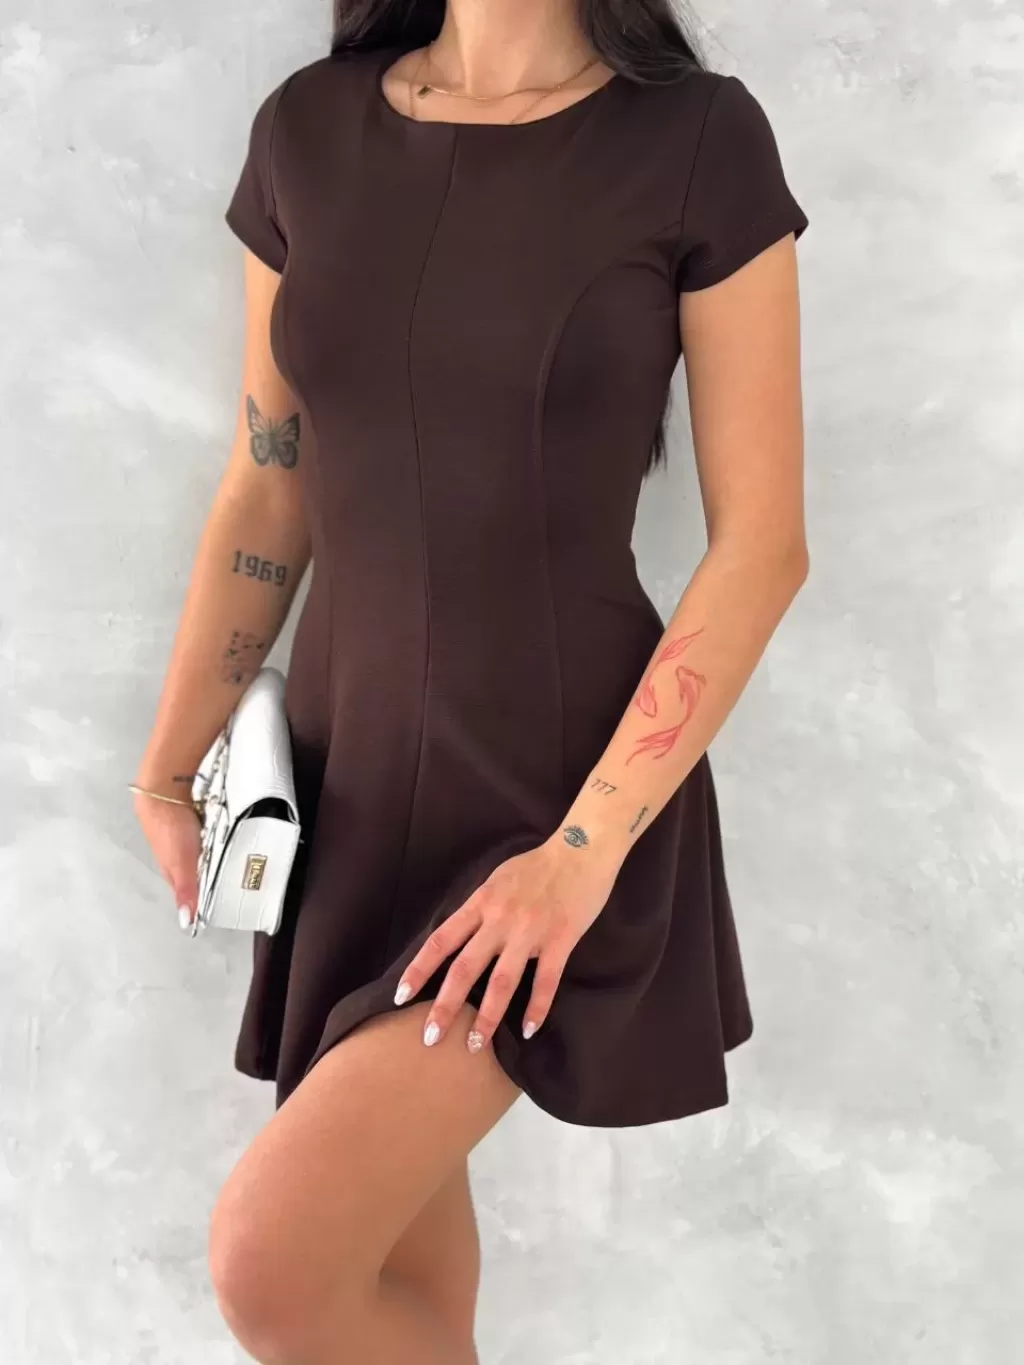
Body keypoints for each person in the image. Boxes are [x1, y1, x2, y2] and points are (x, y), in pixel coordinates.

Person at [132, 1, 810, 1359]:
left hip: (555, 803)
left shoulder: (696, 141)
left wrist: (580, 855)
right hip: (346, 794)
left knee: (277, 1265)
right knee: (405, 1292)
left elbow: (762, 549)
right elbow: (269, 485)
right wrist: (168, 762)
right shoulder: (307, 132)